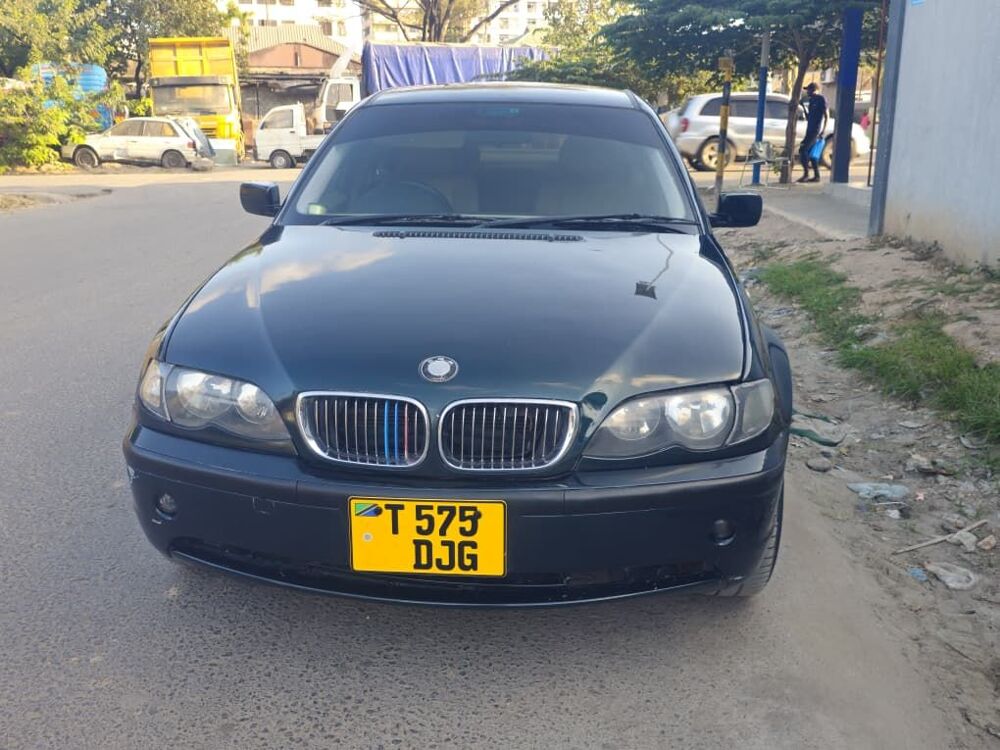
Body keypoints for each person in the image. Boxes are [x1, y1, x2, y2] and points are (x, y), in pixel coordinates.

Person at [797, 82, 828, 183]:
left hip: (815, 131)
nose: (807, 92)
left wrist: (823, 130)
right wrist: (803, 108)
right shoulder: (811, 100)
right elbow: (809, 116)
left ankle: (806, 174)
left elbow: (826, 115)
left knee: (804, 150)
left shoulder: (821, 99)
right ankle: (816, 176)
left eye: (809, 90)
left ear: (814, 90)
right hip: (809, 130)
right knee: (810, 153)